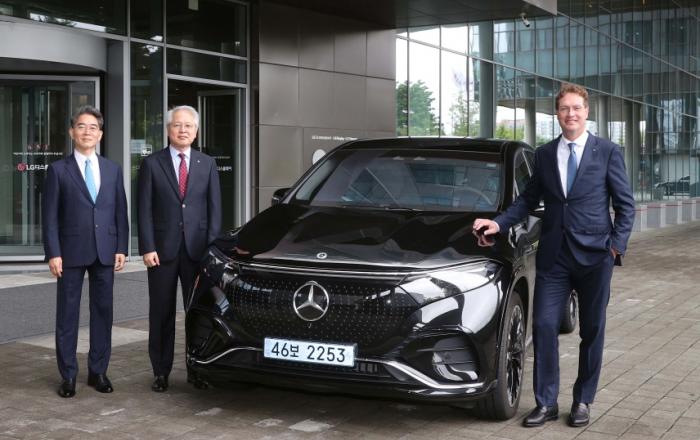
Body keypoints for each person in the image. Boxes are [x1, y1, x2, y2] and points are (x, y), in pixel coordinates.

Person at [473, 84, 635, 428]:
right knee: (545, 326)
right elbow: (527, 200)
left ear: (586, 112)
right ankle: (545, 403)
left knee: (592, 330)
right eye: (564, 109)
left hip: (595, 257)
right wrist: (498, 224)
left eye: (576, 108)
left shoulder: (607, 152)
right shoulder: (545, 154)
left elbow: (625, 205)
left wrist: (615, 246)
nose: (570, 114)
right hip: (554, 258)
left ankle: (582, 401)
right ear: (558, 114)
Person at [42, 105, 129, 398]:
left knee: (103, 313)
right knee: (67, 315)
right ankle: (68, 375)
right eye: (81, 126)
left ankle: (98, 371)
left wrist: (121, 246)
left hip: (105, 250)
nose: (87, 132)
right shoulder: (58, 170)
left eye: (93, 127)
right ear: (72, 132)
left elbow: (120, 211)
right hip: (69, 252)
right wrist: (53, 252)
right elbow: (50, 216)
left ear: (100, 134)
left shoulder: (112, 169)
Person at [138, 105, 222, 392]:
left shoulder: (207, 164)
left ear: (196, 131)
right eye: (177, 125)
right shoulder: (152, 164)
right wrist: (147, 246)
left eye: (188, 125)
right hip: (161, 252)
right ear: (168, 130)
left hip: (197, 253)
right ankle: (160, 372)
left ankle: (196, 370)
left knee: (197, 314)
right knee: (161, 313)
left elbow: (215, 210)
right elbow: (144, 210)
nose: (182, 130)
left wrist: (211, 251)